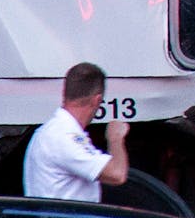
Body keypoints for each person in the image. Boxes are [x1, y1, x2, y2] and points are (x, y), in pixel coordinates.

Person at [23, 62, 130, 202]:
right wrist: (115, 138)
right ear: (97, 100)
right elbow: (117, 174)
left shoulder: (54, 131)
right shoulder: (63, 136)